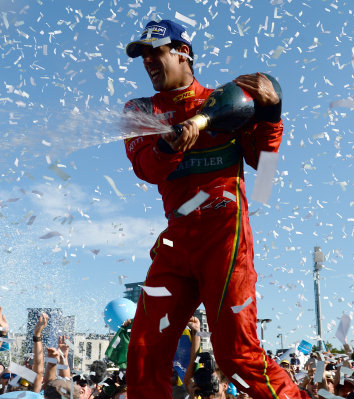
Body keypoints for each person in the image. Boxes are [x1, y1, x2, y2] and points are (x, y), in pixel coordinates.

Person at [123, 19, 298, 399]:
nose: (148, 61)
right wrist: (170, 145)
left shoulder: (228, 101)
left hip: (226, 235)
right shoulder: (139, 109)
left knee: (237, 356)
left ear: (183, 52)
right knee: (142, 356)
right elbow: (146, 170)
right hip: (175, 242)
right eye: (143, 55)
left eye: (157, 51)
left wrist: (271, 114)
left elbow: (264, 173)